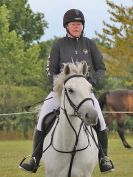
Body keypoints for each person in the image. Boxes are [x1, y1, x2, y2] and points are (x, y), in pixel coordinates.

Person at [19, 9, 115, 173]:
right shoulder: (58, 45)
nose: (77, 26)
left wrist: (91, 82)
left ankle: (103, 158)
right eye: (73, 24)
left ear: (82, 26)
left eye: (79, 24)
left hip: (84, 93)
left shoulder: (90, 44)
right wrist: (60, 87)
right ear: (67, 26)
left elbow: (100, 68)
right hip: (61, 93)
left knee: (100, 121)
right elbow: (50, 71)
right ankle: (34, 159)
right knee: (42, 119)